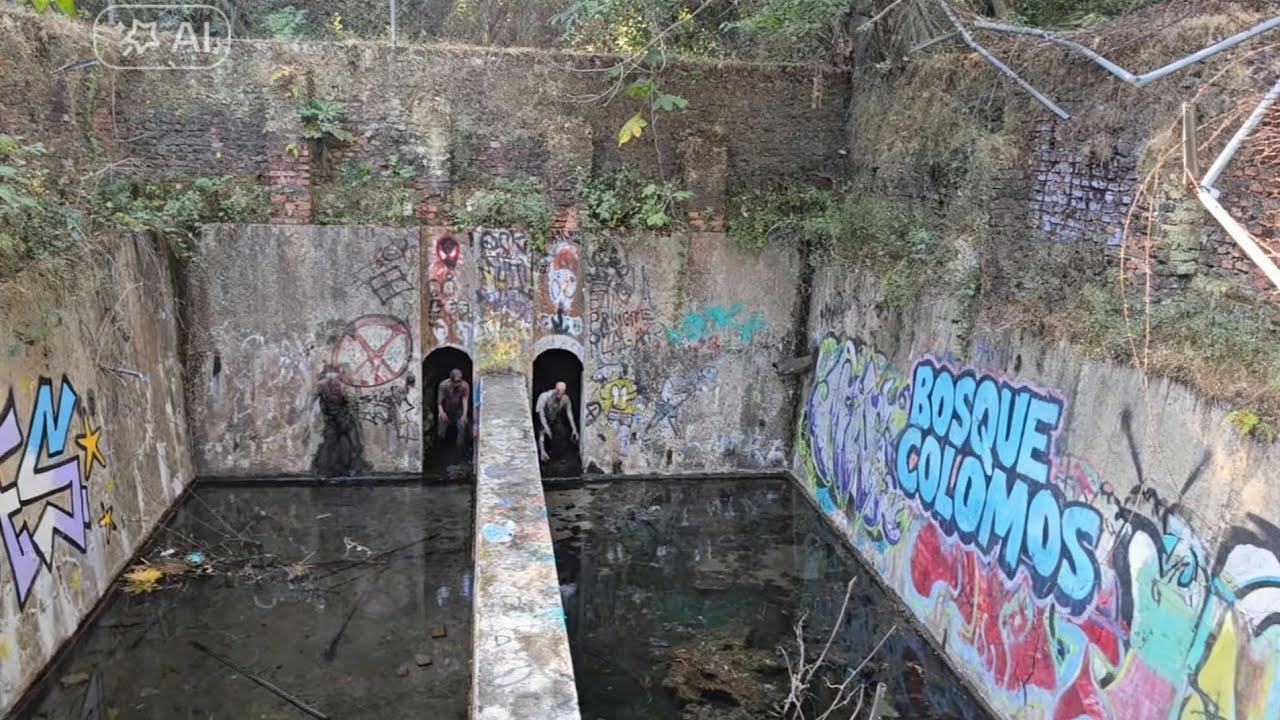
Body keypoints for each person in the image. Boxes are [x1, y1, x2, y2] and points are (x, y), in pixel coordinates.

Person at [536, 381, 578, 462]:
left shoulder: (565, 399)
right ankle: (542, 453)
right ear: (555, 389)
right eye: (558, 391)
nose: (560, 395)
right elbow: (540, 414)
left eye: (562, 392)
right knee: (542, 433)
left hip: (554, 419)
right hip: (542, 418)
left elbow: (569, 413)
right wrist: (546, 428)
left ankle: (558, 455)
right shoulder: (545, 397)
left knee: (561, 432)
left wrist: (574, 429)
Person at [437, 369, 470, 449]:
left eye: (459, 381)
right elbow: (439, 402)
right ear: (451, 380)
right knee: (440, 432)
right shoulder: (443, 385)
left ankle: (459, 451)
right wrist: (441, 412)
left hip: (458, 412)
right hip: (446, 411)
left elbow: (465, 399)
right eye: (455, 382)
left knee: (462, 430)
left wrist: (464, 414)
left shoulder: (465, 386)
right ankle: (441, 448)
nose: (457, 384)